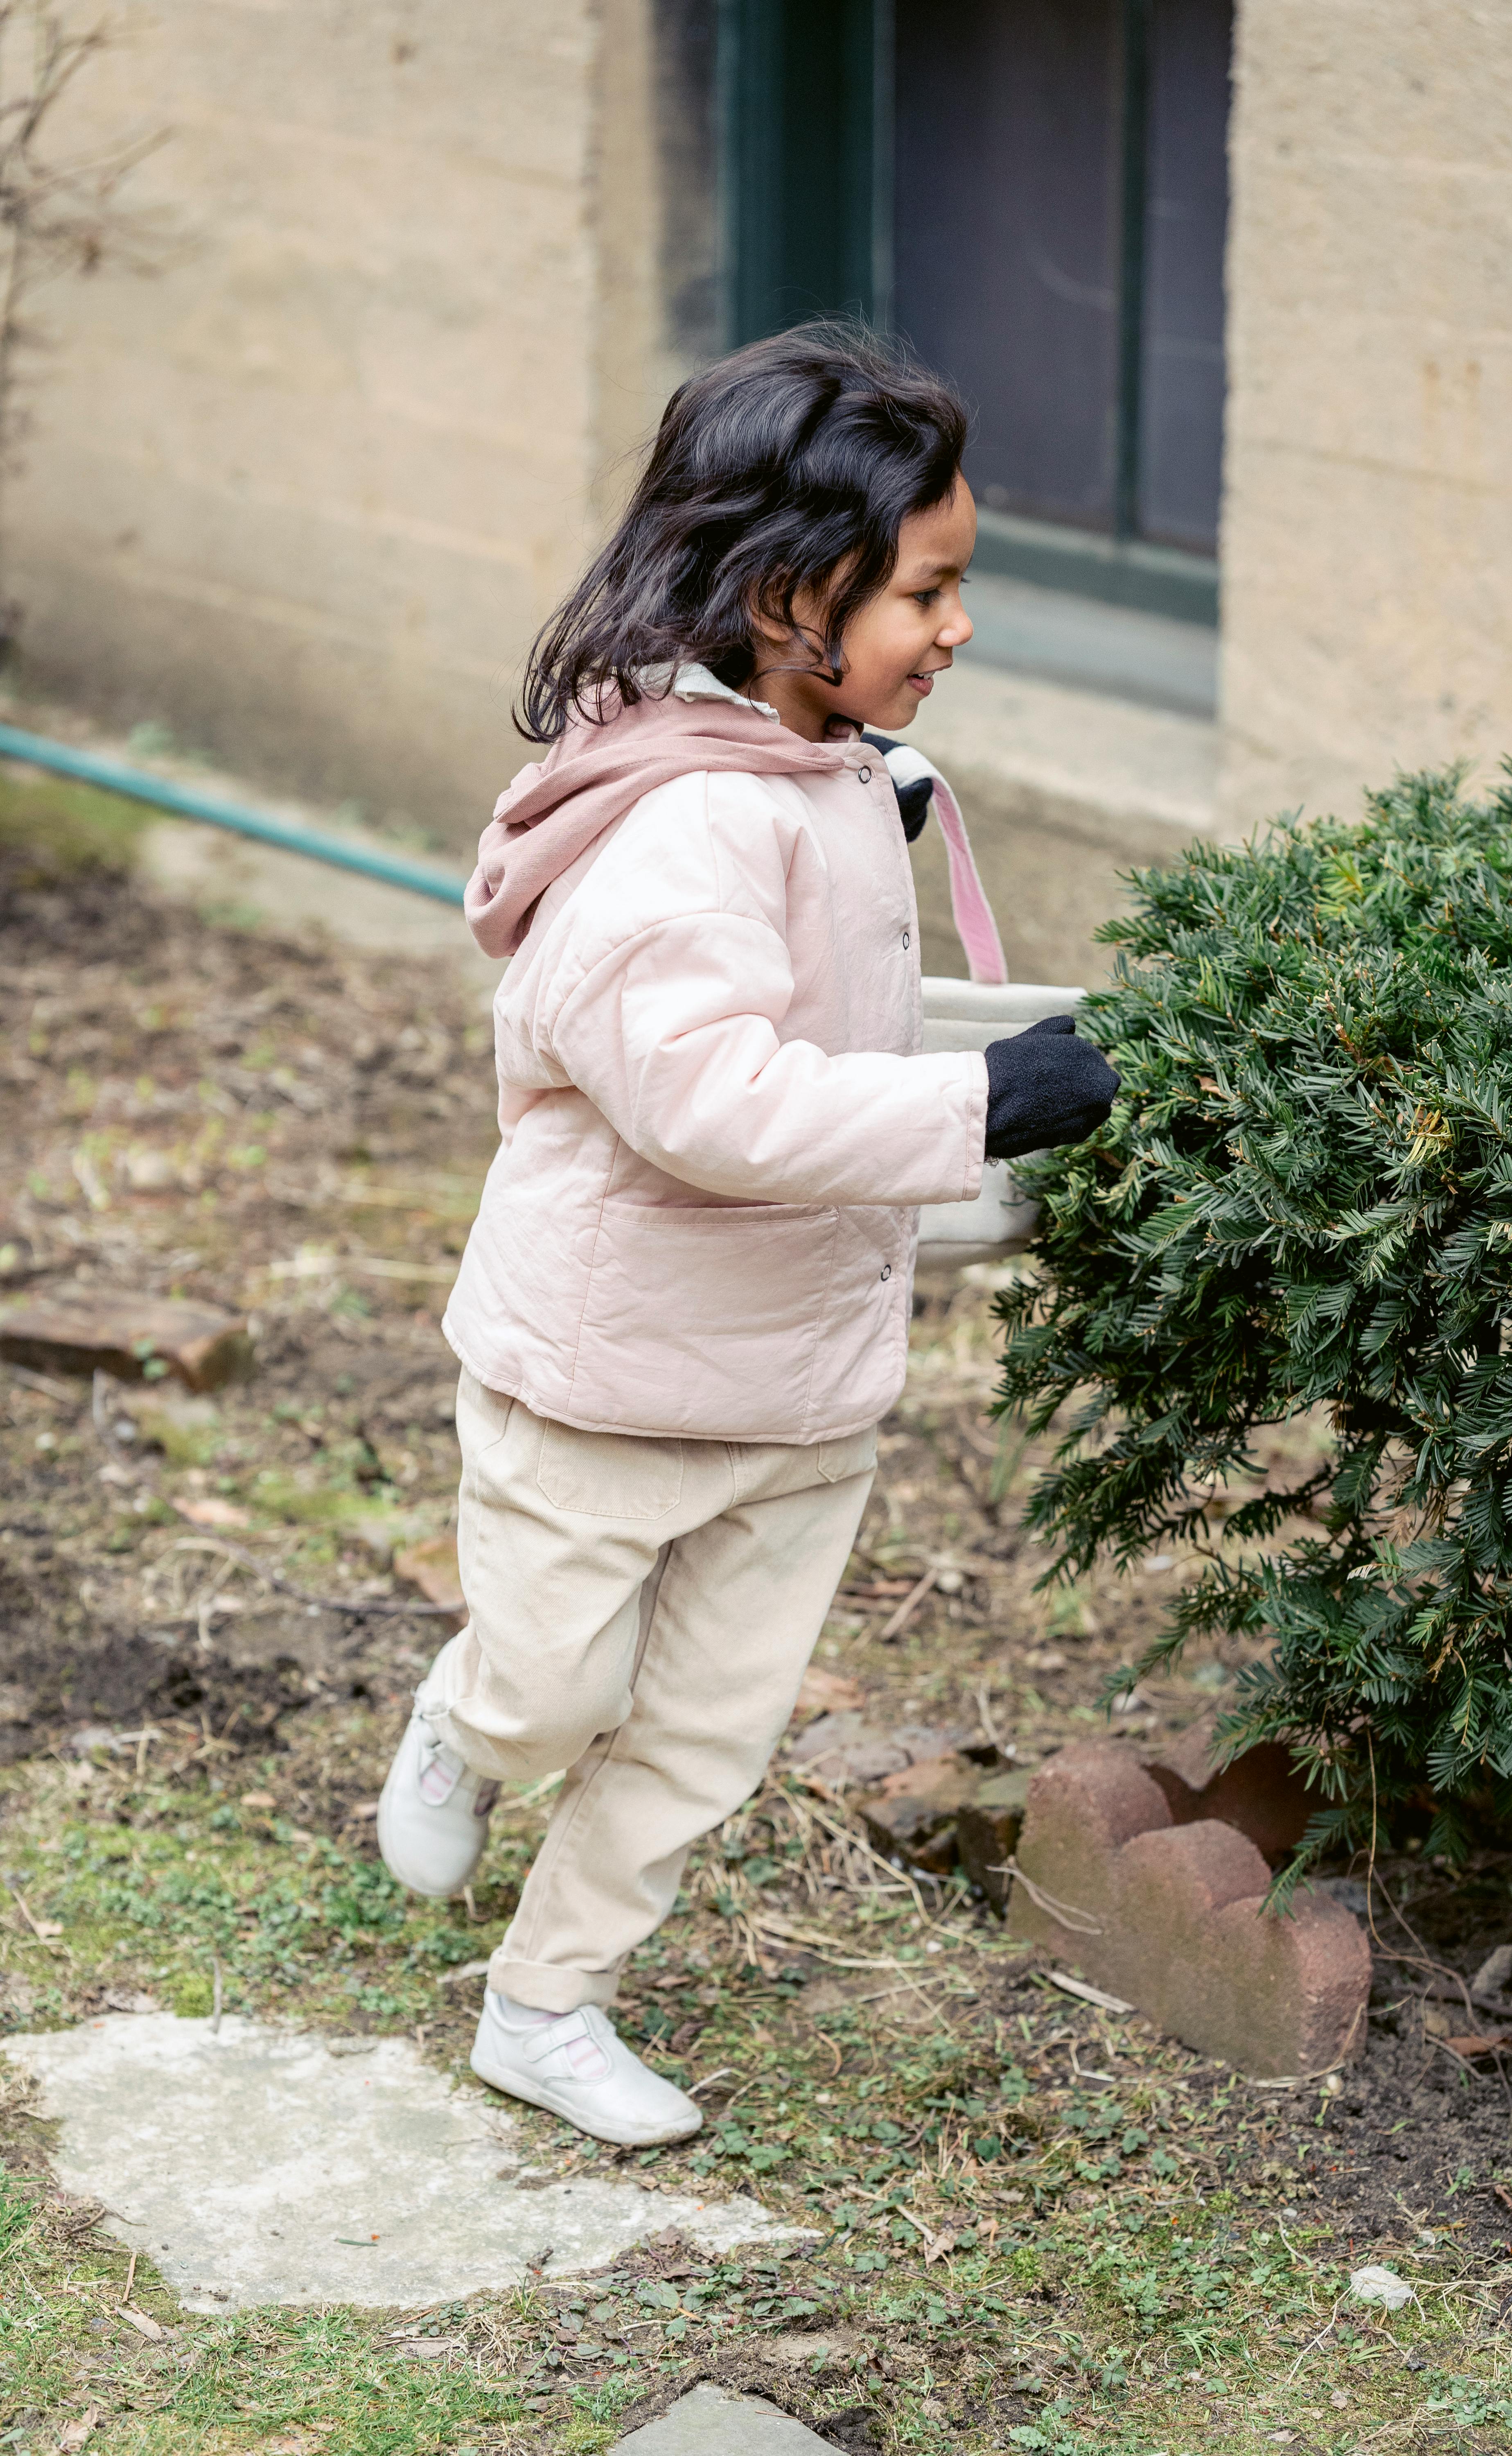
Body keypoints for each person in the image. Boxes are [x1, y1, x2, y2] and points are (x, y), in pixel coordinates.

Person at [376, 323, 1119, 2145]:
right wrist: (978, 1110)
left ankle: (545, 2007)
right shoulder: (688, 823)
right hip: (603, 1378)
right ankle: (475, 1720)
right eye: (928, 591)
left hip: (794, 1386)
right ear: (793, 596)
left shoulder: (828, 763)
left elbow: (837, 1018)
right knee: (567, 1695)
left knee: (703, 1731)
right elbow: (705, 1101)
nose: (958, 629)